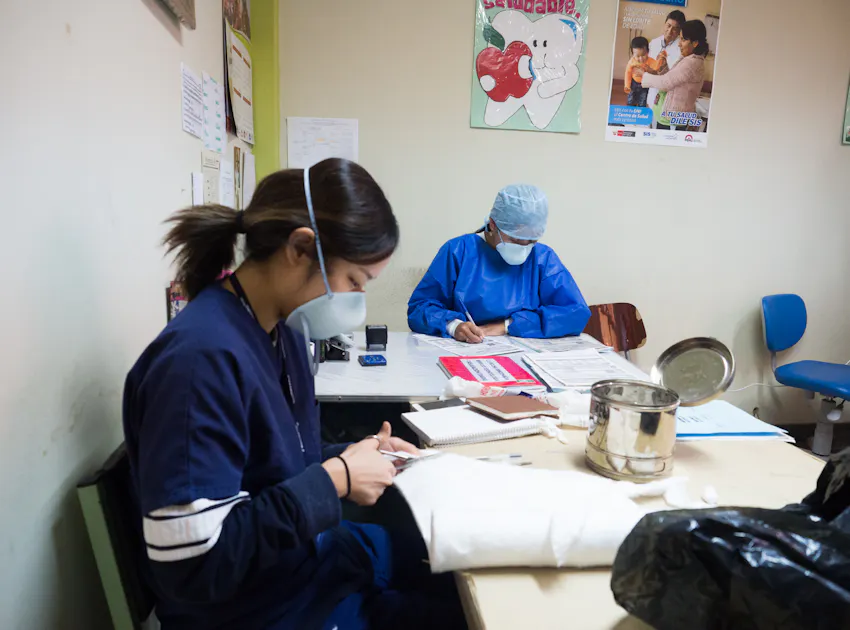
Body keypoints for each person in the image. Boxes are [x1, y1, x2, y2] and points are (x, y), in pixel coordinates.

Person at [122, 158, 466, 630]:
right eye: (354, 283)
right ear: (301, 248)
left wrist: (355, 454)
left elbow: (273, 461)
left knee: (465, 566)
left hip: (310, 560)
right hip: (262, 607)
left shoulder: (277, 331)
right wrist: (337, 479)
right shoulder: (198, 363)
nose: (355, 302)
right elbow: (194, 567)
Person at [407, 184, 590, 343]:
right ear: (493, 225)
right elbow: (419, 308)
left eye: (531, 240)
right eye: (517, 240)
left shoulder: (542, 258)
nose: (525, 247)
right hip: (468, 352)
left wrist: (507, 326)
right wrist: (453, 326)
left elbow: (576, 313)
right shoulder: (458, 251)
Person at [637, 20, 709, 130]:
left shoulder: (692, 62)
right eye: (680, 38)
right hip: (667, 116)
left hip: (673, 120)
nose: (679, 43)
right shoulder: (688, 58)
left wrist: (644, 75)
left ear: (695, 43)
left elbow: (666, 83)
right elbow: (674, 79)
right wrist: (664, 67)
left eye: (683, 39)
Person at [646, 10, 686, 124]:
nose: (670, 31)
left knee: (664, 126)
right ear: (664, 24)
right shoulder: (654, 43)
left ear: (679, 31)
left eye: (675, 28)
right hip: (653, 91)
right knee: (651, 125)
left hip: (669, 96)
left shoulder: (681, 48)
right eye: (668, 26)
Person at [624, 36, 659, 108]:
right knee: (630, 101)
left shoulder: (651, 61)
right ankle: (630, 112)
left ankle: (641, 114)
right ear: (632, 54)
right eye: (637, 56)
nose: (640, 59)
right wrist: (627, 85)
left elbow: (657, 70)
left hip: (645, 85)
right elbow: (628, 73)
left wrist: (650, 70)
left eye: (643, 55)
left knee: (642, 101)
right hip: (633, 84)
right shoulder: (632, 62)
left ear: (648, 52)